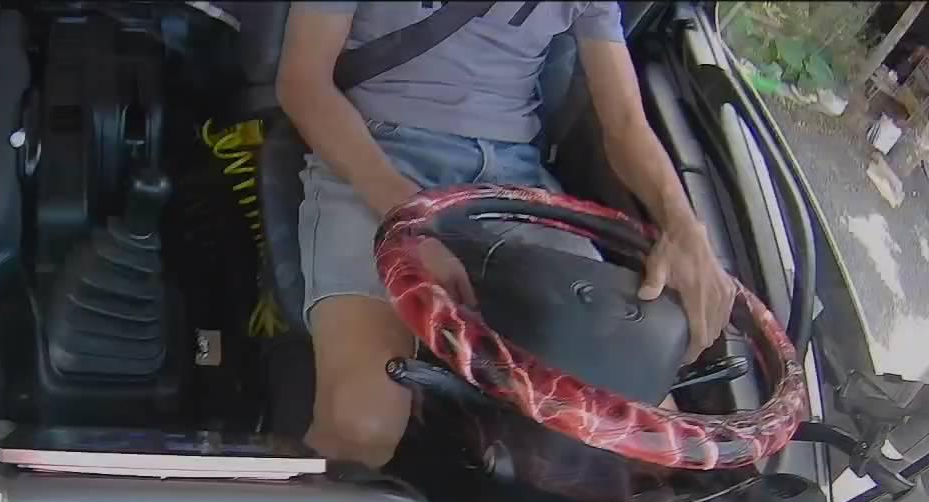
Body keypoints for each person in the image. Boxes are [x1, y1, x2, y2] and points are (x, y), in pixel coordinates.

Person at [275, 1, 737, 469]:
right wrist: (410, 220)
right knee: (360, 425)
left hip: (513, 182)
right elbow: (303, 84)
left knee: (642, 439)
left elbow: (624, 124)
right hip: (374, 155)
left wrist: (685, 228)